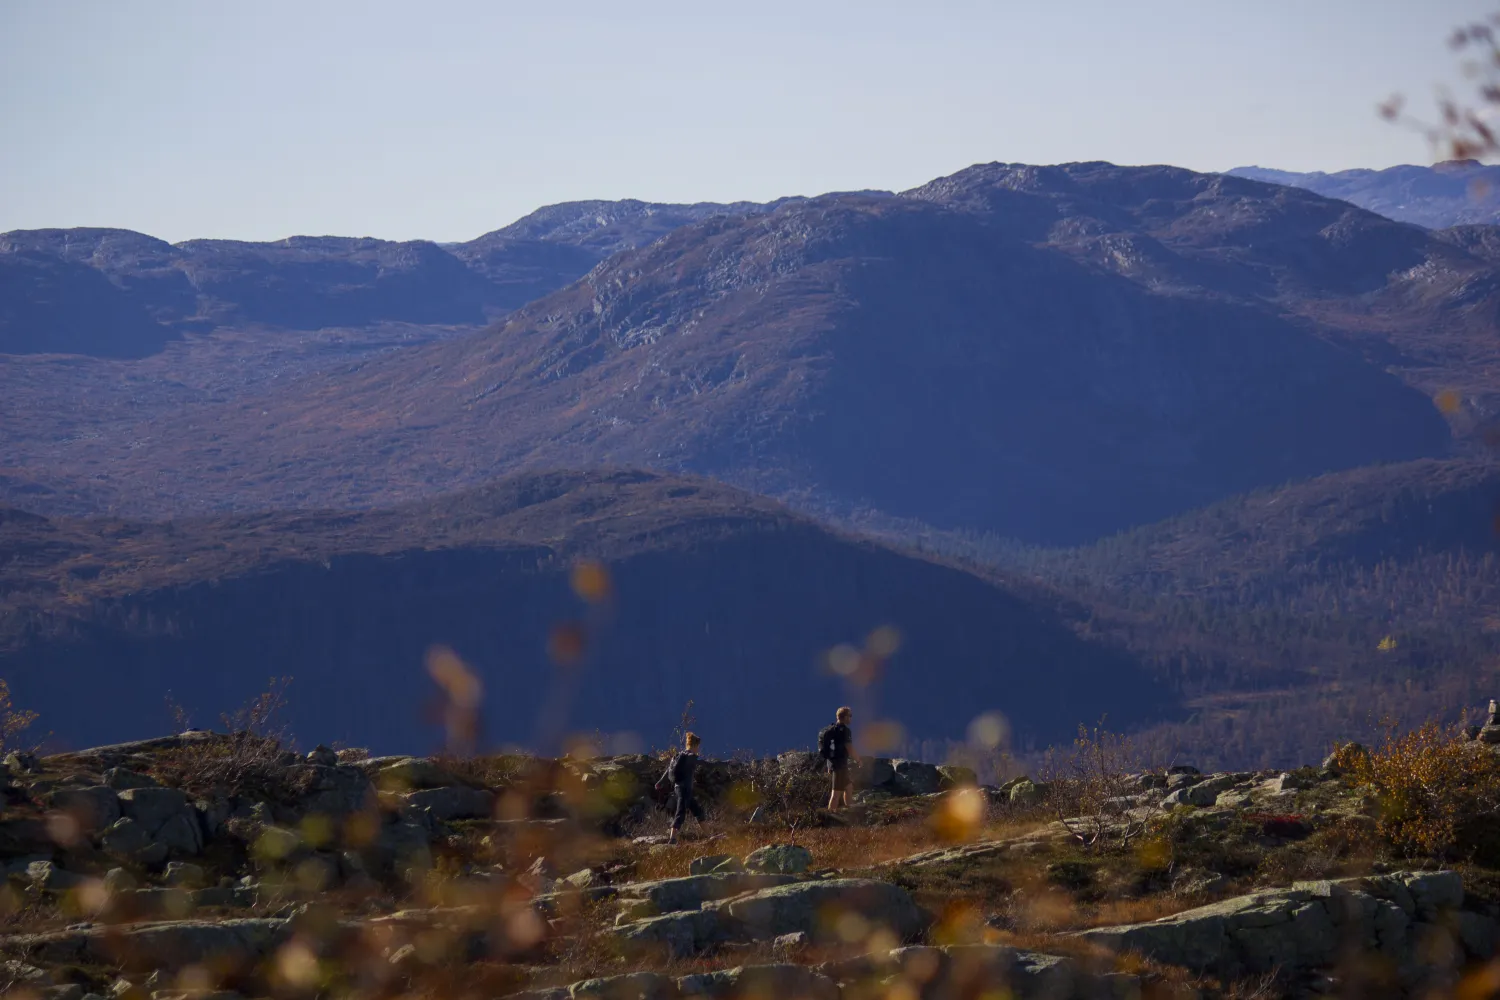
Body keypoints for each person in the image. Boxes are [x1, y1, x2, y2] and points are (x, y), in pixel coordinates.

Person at [660, 732, 705, 843]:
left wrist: (660, 782)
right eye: (698, 747)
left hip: (679, 788)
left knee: (698, 811)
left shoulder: (678, 756)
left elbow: (668, 770)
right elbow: (700, 764)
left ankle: (708, 835)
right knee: (680, 813)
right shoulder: (691, 756)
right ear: (694, 745)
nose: (698, 749)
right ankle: (672, 839)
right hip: (685, 789)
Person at [821, 706, 858, 811]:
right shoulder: (845, 731)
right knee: (836, 793)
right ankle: (830, 817)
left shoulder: (832, 730)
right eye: (850, 716)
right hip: (839, 766)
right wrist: (858, 760)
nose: (851, 718)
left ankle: (850, 811)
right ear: (845, 717)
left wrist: (829, 766)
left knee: (849, 787)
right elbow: (849, 748)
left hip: (837, 765)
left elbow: (830, 750)